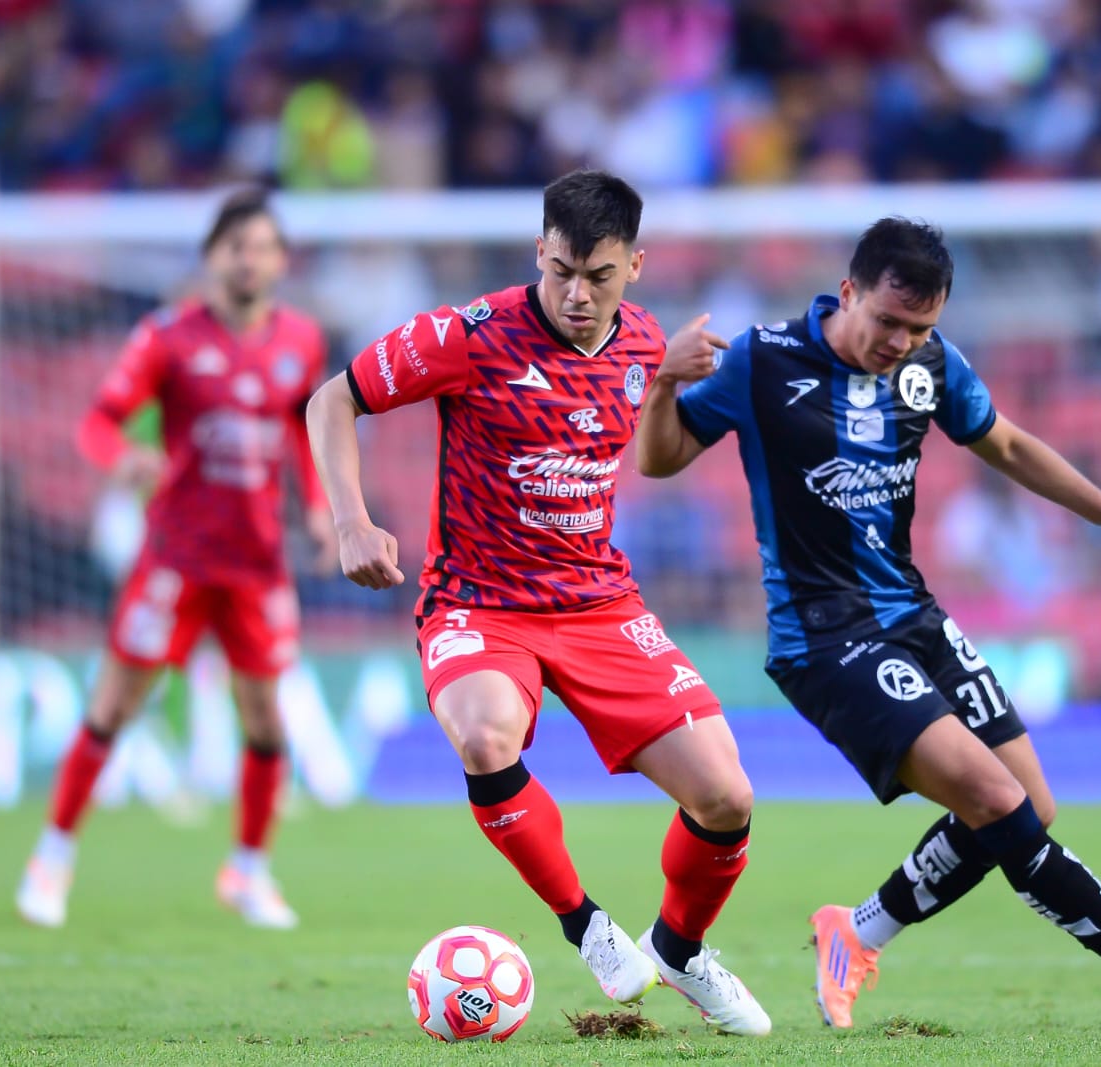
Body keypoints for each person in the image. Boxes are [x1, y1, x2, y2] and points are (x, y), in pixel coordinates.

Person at [635, 217, 1101, 1029]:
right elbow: (660, 459)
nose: (900, 343)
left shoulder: (931, 364)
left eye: (919, 328)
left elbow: (1009, 446)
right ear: (848, 292)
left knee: (1030, 806)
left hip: (912, 615)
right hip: (824, 637)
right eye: (889, 321)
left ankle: (858, 931)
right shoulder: (763, 359)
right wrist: (663, 386)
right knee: (995, 797)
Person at [304, 170, 770, 1036]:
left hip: (599, 603)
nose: (576, 294)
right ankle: (585, 925)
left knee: (726, 796)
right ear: (539, 253)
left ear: (635, 266)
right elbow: (332, 399)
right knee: (485, 737)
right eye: (560, 271)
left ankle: (679, 947)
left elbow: (658, 453)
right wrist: (350, 521)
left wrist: (665, 384)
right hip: (479, 603)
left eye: (598, 276)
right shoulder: (467, 335)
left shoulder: (645, 342)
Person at [17, 188, 336, 930]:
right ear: (211, 256)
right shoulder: (166, 337)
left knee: (265, 720)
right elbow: (98, 423)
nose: (249, 260)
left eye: (263, 247)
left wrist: (321, 508)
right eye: (236, 246)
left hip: (257, 562)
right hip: (175, 560)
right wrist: (122, 458)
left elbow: (305, 430)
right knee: (114, 706)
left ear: (281, 261)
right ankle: (52, 855)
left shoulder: (302, 340)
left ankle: (248, 871)